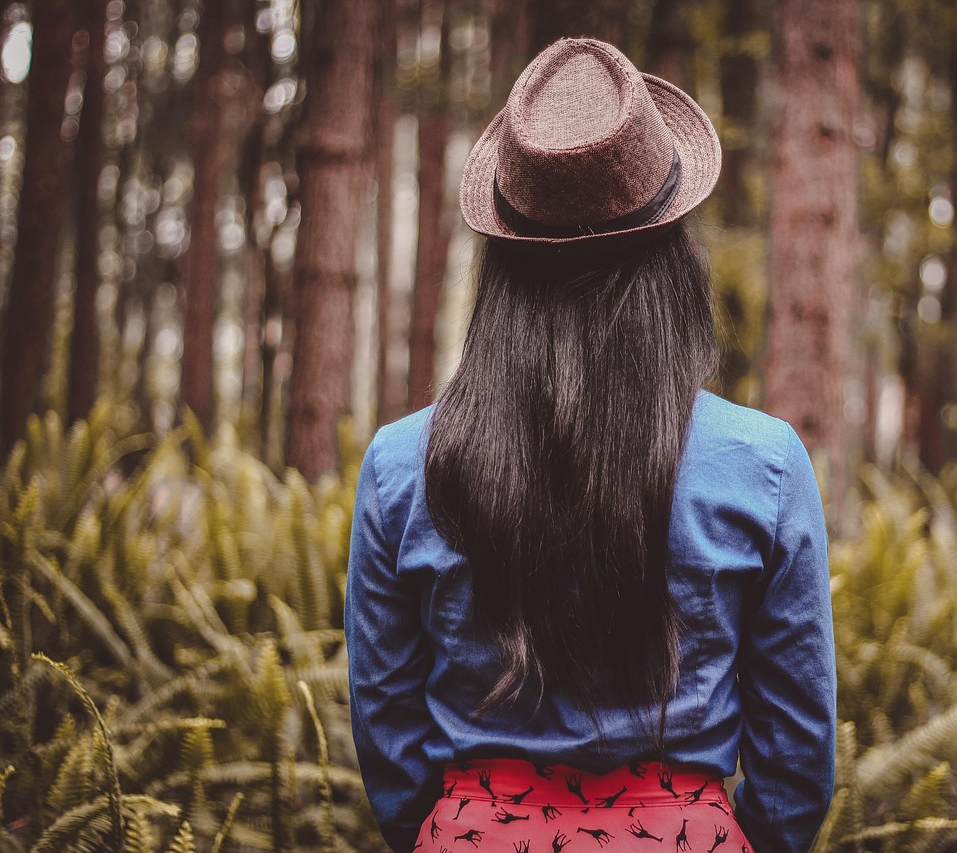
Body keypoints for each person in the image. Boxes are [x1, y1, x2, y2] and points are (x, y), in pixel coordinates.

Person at [346, 37, 835, 853]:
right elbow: (798, 752)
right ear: (671, 255)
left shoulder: (402, 466)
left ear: (501, 256)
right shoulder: (765, 464)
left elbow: (387, 734)